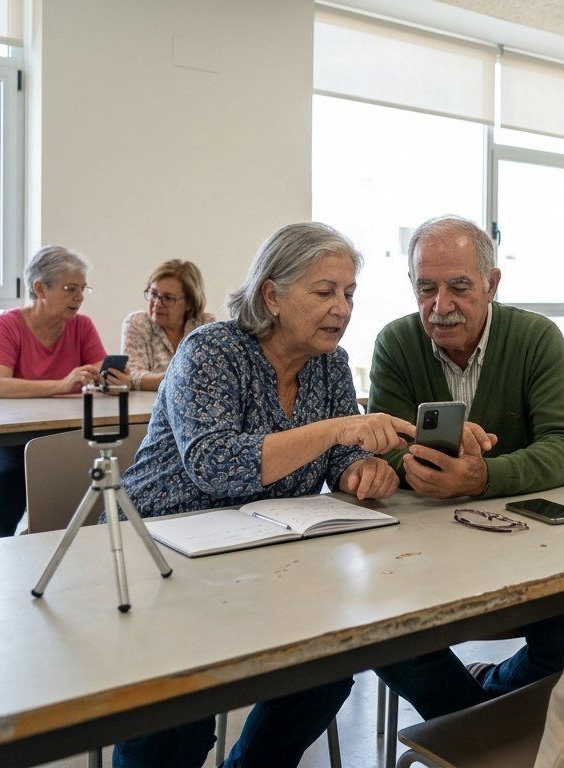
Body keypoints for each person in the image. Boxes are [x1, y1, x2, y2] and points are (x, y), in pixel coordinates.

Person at [114, 222, 416, 767]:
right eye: (324, 292)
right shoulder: (212, 349)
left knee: (324, 675)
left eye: (349, 293)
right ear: (271, 295)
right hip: (163, 551)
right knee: (174, 722)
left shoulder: (330, 364)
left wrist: (363, 471)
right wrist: (336, 432)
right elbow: (215, 464)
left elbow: (340, 458)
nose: (342, 308)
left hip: (267, 558)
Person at [368, 214, 564, 720]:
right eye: (425, 289)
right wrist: (421, 466)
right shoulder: (396, 344)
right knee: (382, 636)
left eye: (459, 287)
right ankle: (476, 721)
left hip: (530, 546)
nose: (440, 307)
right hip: (419, 551)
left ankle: (481, 705)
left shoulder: (536, 337)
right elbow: (390, 448)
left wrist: (484, 476)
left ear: (492, 285)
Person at [0, 246, 108, 539]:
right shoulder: (3, 325)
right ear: (40, 288)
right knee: (7, 477)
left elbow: (100, 371)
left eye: (83, 288)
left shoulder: (81, 326)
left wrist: (107, 377)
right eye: (70, 288)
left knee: (87, 466)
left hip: (43, 433)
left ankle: (58, 546)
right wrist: (63, 385)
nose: (79, 297)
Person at [117, 259, 215, 391]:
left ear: (189, 303)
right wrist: (188, 377)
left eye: (168, 298)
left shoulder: (204, 324)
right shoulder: (137, 322)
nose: (157, 303)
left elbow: (213, 374)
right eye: (153, 294)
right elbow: (133, 376)